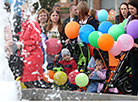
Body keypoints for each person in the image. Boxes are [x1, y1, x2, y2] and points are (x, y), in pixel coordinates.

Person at [16, 4, 50, 88]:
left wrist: (22, 44)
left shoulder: (33, 24)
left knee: (31, 82)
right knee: (28, 82)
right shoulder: (25, 24)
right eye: (22, 12)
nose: (22, 13)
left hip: (33, 56)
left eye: (24, 11)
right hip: (27, 55)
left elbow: (36, 41)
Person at [124, 0, 138, 95]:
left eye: (132, 8)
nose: (130, 10)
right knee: (134, 73)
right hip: (133, 51)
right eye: (129, 9)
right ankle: (134, 93)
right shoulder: (130, 19)